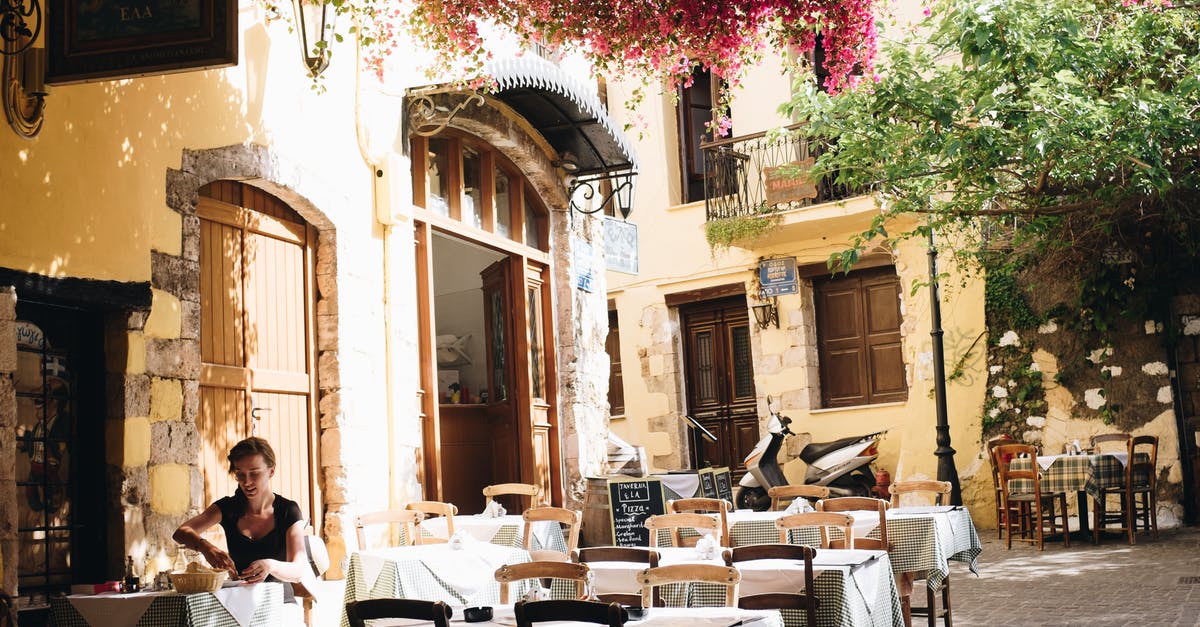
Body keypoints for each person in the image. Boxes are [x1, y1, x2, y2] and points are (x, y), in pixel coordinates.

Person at [173, 437, 309, 586]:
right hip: (238, 601)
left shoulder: (288, 510)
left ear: (271, 471)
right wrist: (206, 547)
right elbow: (181, 532)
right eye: (240, 474)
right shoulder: (227, 507)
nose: (247, 482)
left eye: (254, 473)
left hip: (280, 602)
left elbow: (298, 571)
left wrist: (271, 566)